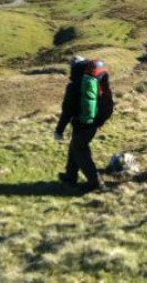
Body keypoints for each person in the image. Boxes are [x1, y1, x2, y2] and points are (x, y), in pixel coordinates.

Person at [54, 55, 105, 192]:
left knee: (80, 151)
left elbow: (67, 111)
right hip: (93, 122)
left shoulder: (74, 86)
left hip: (81, 123)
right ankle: (70, 176)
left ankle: (96, 182)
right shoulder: (93, 81)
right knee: (75, 147)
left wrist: (59, 130)